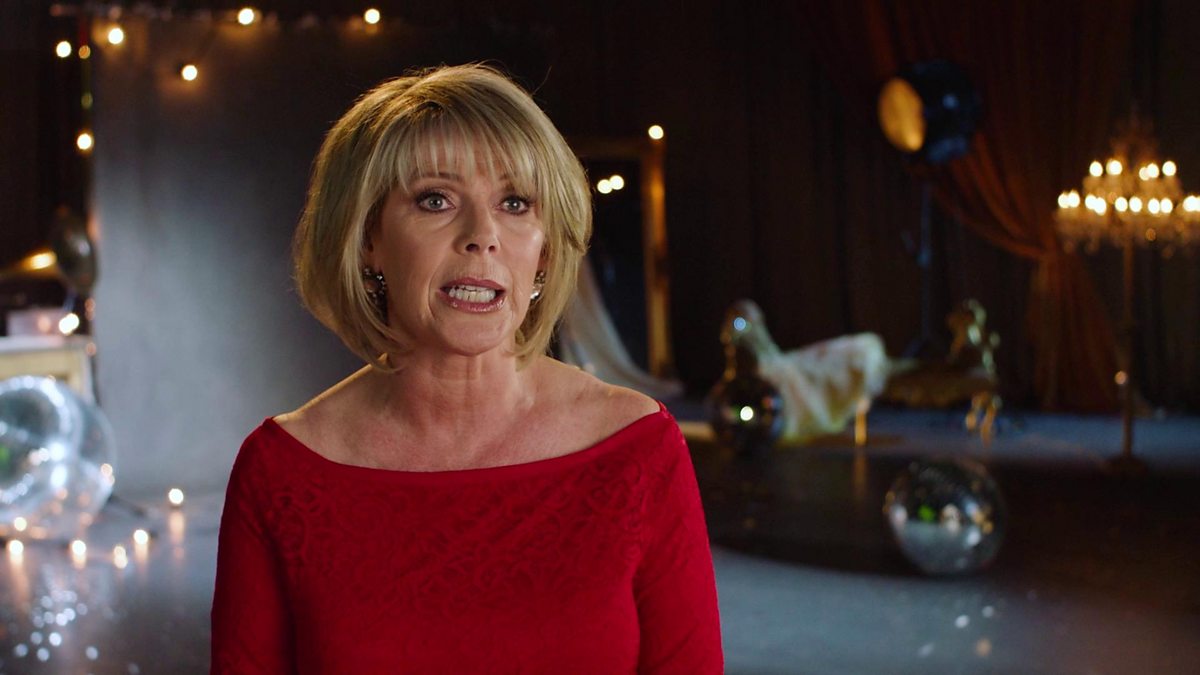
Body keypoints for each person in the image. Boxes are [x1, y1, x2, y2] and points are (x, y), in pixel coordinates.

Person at [210, 64, 723, 673]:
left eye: (515, 203)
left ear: (544, 249)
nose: (483, 236)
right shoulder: (282, 471)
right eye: (436, 200)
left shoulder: (638, 448)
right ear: (367, 238)